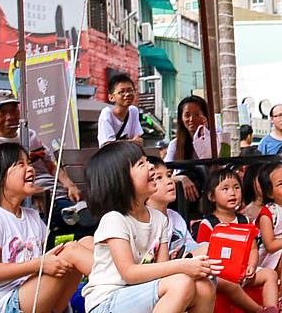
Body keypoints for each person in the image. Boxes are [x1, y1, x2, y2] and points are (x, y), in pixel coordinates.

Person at [82, 142, 219, 313]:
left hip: (139, 294)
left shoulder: (159, 220)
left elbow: (162, 271)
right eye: (142, 164)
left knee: (204, 286)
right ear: (121, 180)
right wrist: (182, 266)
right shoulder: (114, 220)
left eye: (147, 161)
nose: (151, 167)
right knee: (181, 283)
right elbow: (129, 273)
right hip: (106, 302)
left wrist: (193, 267)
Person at [0, 143, 93, 313]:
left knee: (87, 242)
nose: (30, 169)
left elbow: (46, 258)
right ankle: (119, 283)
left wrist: (46, 262)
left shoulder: (32, 216)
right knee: (70, 252)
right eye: (20, 164)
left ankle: (117, 281)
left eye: (29, 162)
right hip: (8, 304)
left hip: (40, 298)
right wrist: (38, 265)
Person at [0, 90, 82, 215]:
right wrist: (29, 195)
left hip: (57, 195)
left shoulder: (30, 135)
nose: (10, 117)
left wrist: (70, 186)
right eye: (2, 112)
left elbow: (50, 165)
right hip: (24, 205)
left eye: (14, 110)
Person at [194, 167, 279, 313]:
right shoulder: (208, 224)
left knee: (270, 274)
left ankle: (271, 309)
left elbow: (253, 248)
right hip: (220, 276)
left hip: (244, 271)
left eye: (236, 187)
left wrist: (251, 266)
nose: (232, 193)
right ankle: (258, 311)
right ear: (211, 196)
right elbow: (203, 256)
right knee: (225, 281)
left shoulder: (244, 220)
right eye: (225, 189)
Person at [145, 156, 202, 259]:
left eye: (169, 175)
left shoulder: (175, 217)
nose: (170, 181)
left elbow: (191, 246)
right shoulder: (144, 221)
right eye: (159, 178)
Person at [255, 163, 282, 301]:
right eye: (280, 184)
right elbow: (270, 246)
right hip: (269, 262)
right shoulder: (268, 214)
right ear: (270, 193)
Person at [165, 95, 211, 205]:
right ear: (181, 118)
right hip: (182, 199)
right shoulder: (175, 144)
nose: (191, 119)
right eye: (187, 115)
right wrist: (181, 178)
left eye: (197, 115)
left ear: (205, 117)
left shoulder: (215, 141)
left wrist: (206, 135)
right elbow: (164, 174)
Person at [97, 74, 143, 147]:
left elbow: (140, 141)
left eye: (130, 90)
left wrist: (120, 143)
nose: (127, 94)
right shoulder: (106, 114)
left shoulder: (133, 111)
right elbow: (109, 147)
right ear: (111, 97)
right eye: (121, 92)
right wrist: (131, 142)